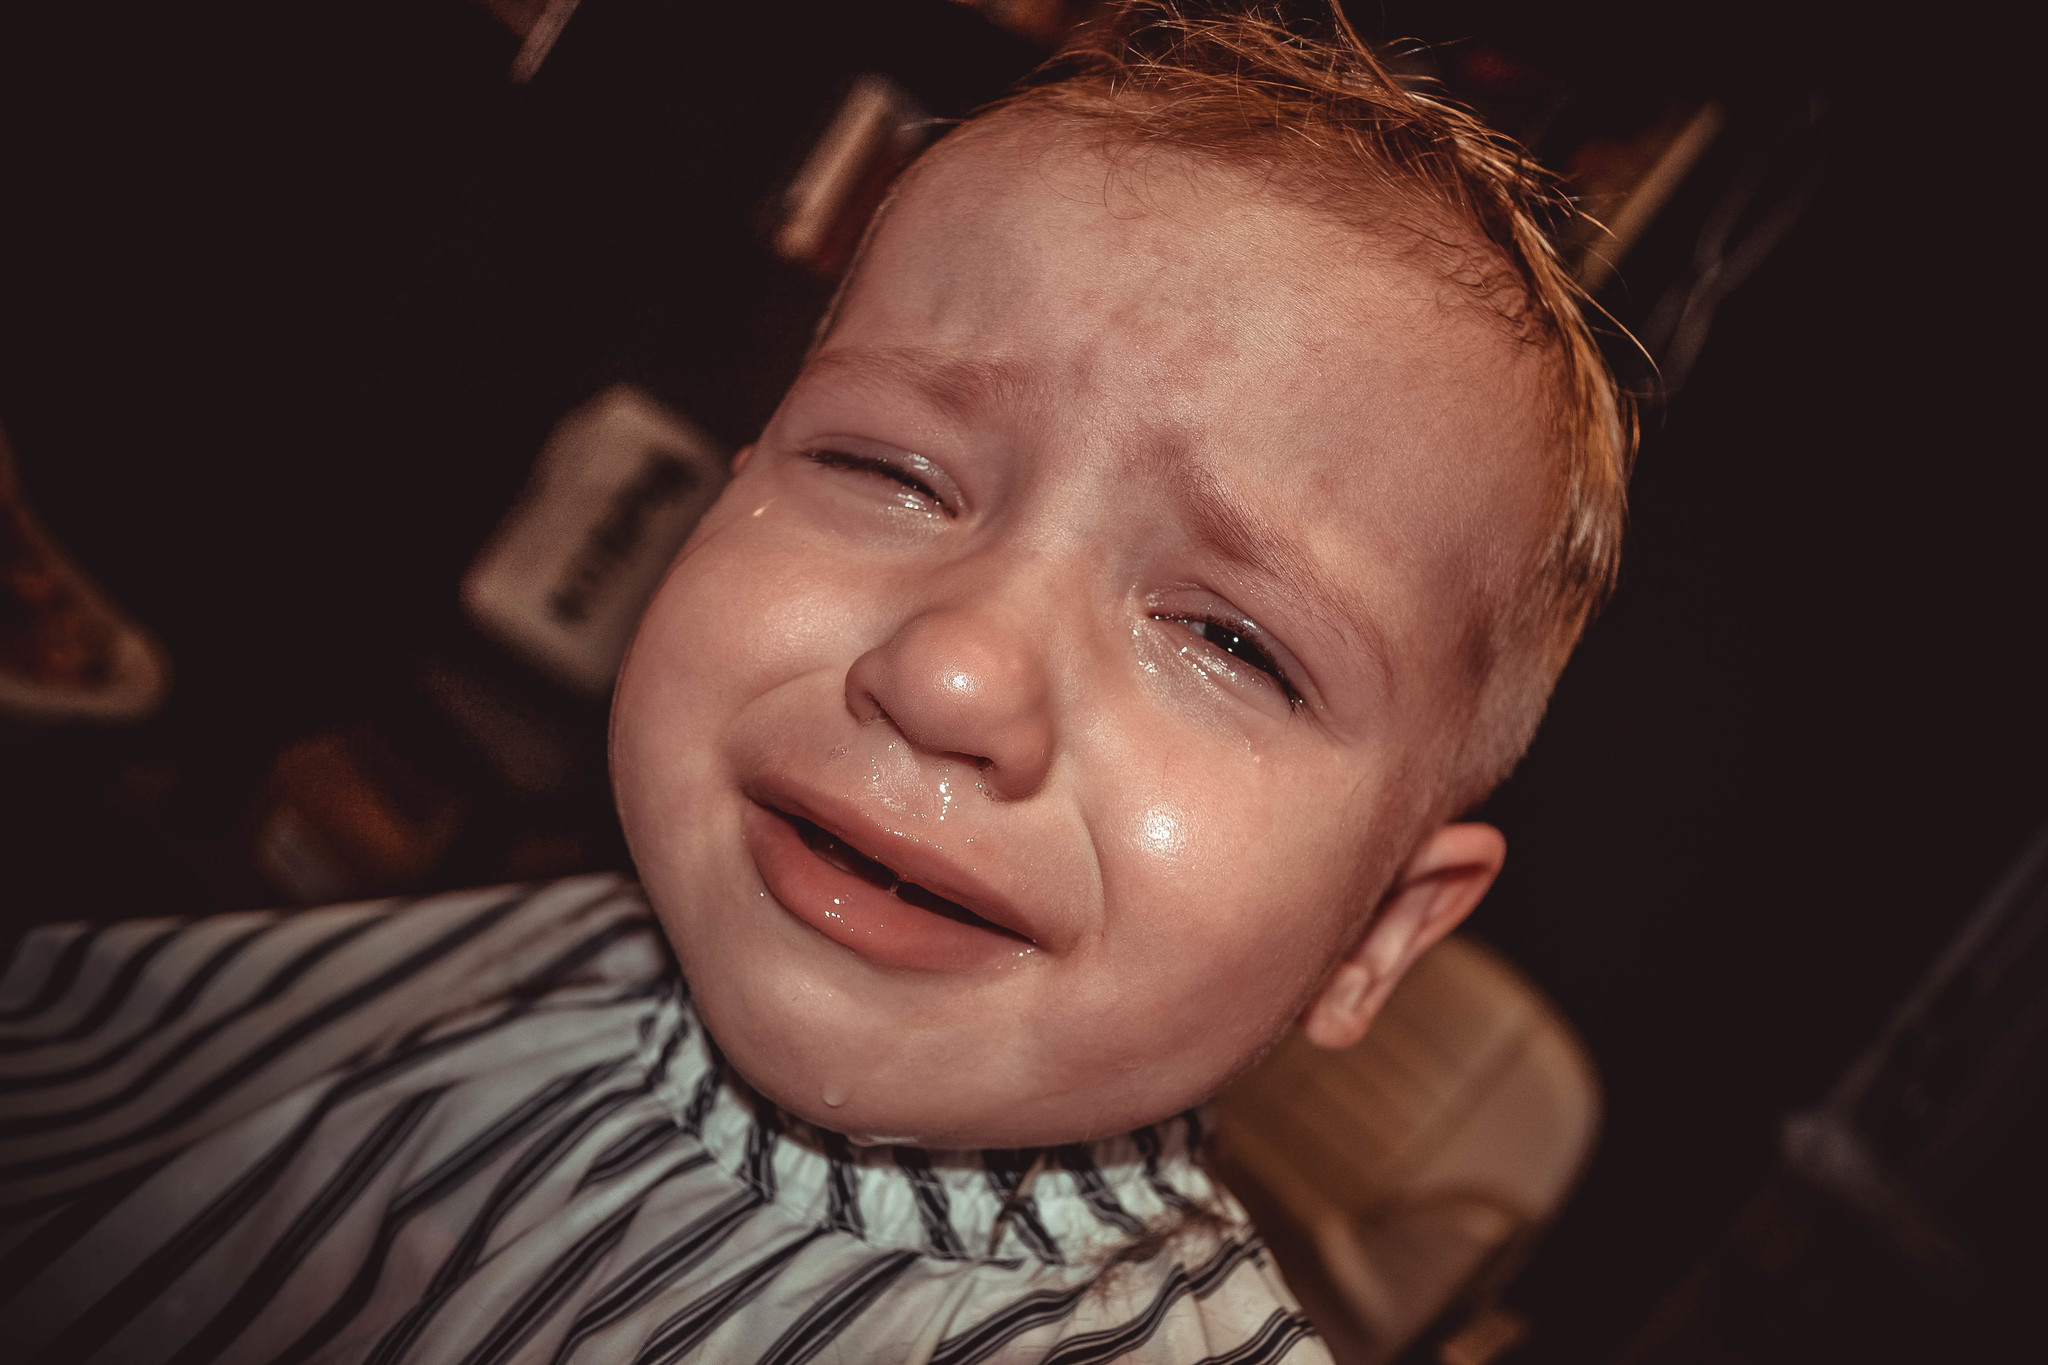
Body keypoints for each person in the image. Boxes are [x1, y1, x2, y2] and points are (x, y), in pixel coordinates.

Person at [0, 3, 1631, 1361]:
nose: (955, 667)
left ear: (1378, 936)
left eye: (1233, 639)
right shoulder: (591, 938)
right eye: (894, 470)